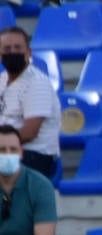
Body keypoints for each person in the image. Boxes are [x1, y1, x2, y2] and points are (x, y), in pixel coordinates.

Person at [0, 27, 59, 180]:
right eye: (7, 48)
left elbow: (30, 132)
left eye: (17, 48)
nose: (12, 52)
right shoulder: (1, 80)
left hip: (33, 156)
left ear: (29, 52)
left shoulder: (37, 82)